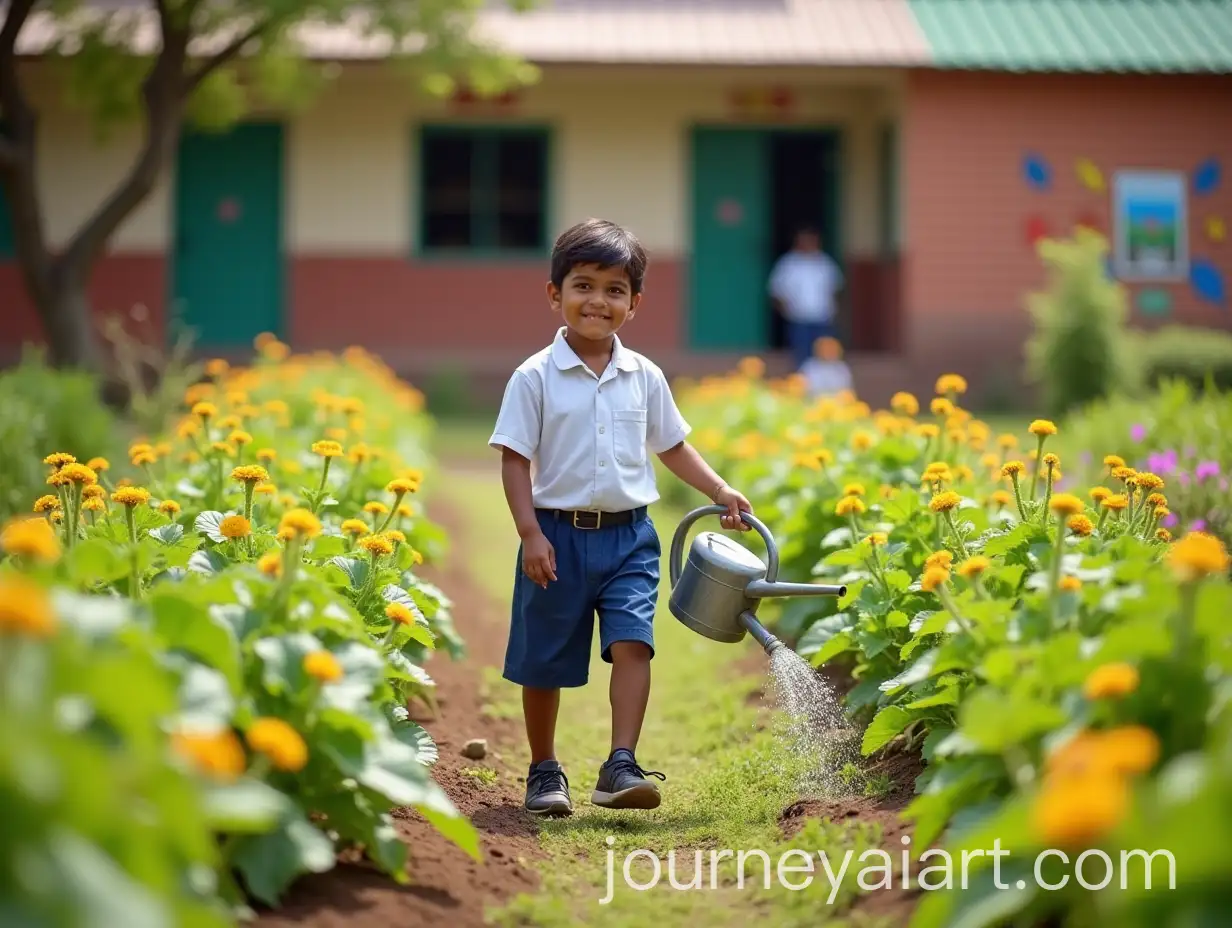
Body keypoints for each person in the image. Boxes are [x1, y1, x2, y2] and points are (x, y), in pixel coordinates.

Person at [488, 218, 754, 817]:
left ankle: (620, 764)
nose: (597, 301)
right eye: (583, 285)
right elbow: (513, 460)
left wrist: (719, 488)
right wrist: (529, 533)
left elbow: (672, 446)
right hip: (554, 537)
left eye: (614, 290)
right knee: (546, 657)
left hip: (631, 538)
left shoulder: (645, 377)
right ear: (554, 293)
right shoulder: (534, 377)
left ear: (634, 304)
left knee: (634, 642)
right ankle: (543, 770)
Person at [768, 226, 845, 369]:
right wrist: (786, 312)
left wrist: (836, 311)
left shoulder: (825, 263)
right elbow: (777, 291)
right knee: (802, 354)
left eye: (812, 240)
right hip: (799, 317)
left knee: (825, 354)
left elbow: (836, 288)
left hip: (823, 316)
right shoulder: (788, 264)